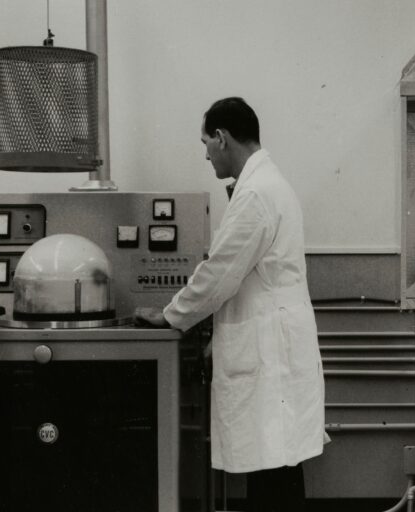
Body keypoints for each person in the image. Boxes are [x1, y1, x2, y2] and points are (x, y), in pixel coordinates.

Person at [136, 97, 327, 512]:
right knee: (278, 466)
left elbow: (218, 274)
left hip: (268, 352)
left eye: (205, 142)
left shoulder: (256, 194)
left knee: (273, 469)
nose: (205, 153)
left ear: (222, 138)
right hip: (273, 346)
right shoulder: (267, 186)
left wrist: (171, 316)